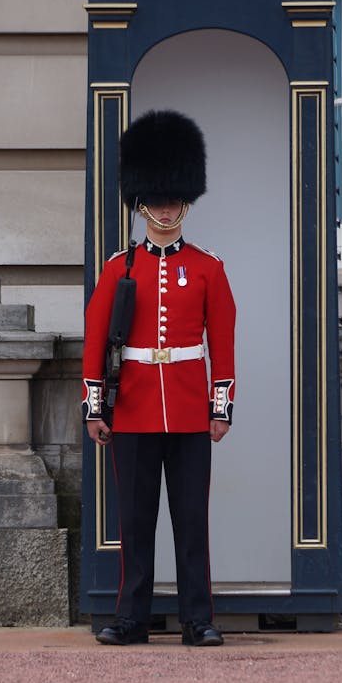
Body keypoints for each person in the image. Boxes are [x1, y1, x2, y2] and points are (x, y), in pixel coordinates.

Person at [82, 109, 236, 647]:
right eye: (159, 198)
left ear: (185, 198)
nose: (167, 207)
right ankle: (133, 618)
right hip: (135, 410)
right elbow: (97, 340)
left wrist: (221, 408)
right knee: (136, 523)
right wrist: (94, 407)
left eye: (174, 198)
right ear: (141, 199)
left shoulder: (208, 268)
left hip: (191, 408)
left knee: (192, 522)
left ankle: (199, 618)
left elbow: (223, 342)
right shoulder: (118, 268)